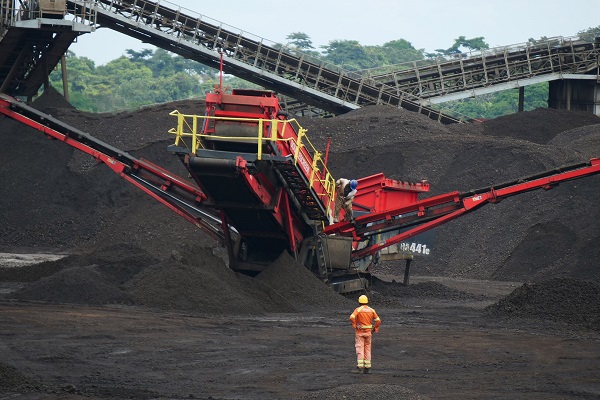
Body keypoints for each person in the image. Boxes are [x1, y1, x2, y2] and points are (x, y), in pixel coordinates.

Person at [349, 294, 381, 374]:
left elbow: (351, 317)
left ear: (359, 302)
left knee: (360, 349)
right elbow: (378, 321)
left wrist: (355, 325)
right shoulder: (371, 310)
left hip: (360, 333)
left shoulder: (358, 310)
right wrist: (375, 329)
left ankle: (360, 368)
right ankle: (367, 368)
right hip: (368, 333)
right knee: (367, 349)